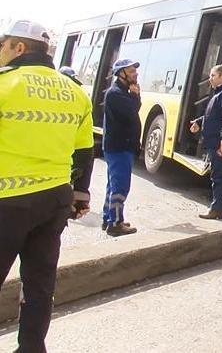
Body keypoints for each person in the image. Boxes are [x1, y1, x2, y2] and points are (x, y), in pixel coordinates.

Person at [0, 20, 94, 352]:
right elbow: (84, 150)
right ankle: (31, 348)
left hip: (7, 200)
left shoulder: (5, 84)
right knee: (39, 284)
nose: (1, 51)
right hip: (54, 200)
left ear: (19, 48)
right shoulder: (75, 91)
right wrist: (81, 194)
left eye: (4, 44)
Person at [192, 65, 222, 220]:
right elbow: (215, 115)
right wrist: (200, 122)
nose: (210, 78)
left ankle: (218, 209)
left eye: (213, 75)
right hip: (221, 141)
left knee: (219, 176)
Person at [102, 59, 142, 236]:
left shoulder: (123, 92)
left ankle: (108, 219)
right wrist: (135, 95)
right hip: (119, 146)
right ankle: (115, 223)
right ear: (121, 73)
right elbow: (131, 113)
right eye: (131, 71)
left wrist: (134, 95)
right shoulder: (116, 93)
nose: (135, 74)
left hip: (121, 145)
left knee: (113, 185)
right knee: (120, 186)